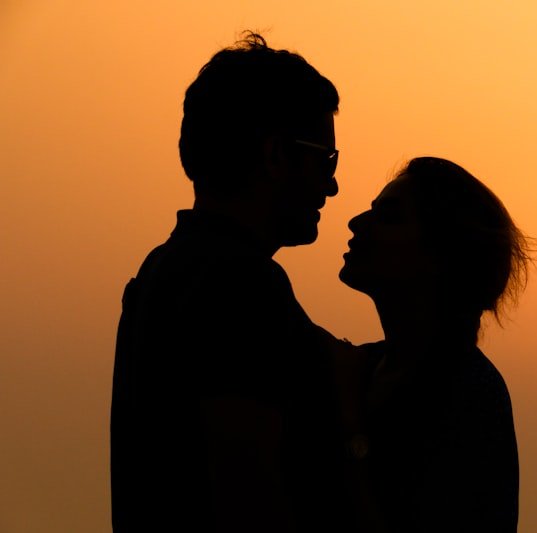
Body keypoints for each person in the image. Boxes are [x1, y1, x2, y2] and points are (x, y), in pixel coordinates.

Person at [111, 32, 348, 532]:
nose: (331, 185)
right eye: (325, 159)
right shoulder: (242, 286)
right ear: (276, 155)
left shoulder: (162, 272)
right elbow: (248, 491)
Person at [336, 157, 532, 532]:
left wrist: (349, 427)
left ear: (442, 256)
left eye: (389, 217)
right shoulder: (360, 365)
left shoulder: (470, 391)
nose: (357, 222)